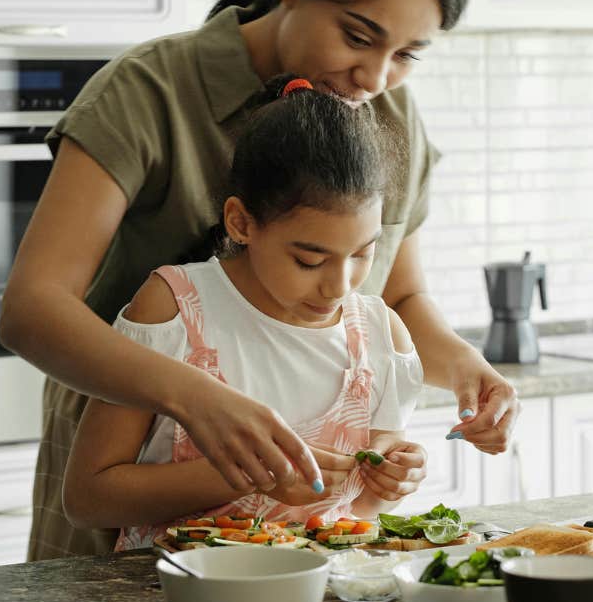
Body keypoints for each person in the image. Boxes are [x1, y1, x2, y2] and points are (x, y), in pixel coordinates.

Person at [0, 0, 521, 559]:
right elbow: (32, 308)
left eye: (405, 56)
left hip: (300, 533)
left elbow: (397, 295)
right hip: (129, 469)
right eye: (358, 36)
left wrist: (463, 368)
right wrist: (197, 398)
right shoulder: (148, 91)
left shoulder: (388, 114)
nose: (375, 76)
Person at [63, 76, 425, 550]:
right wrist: (246, 476)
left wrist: (392, 481)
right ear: (241, 222)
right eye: (309, 260)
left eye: (363, 253)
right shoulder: (174, 309)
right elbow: (88, 498)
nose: (340, 285)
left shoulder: (381, 336)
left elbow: (361, 512)